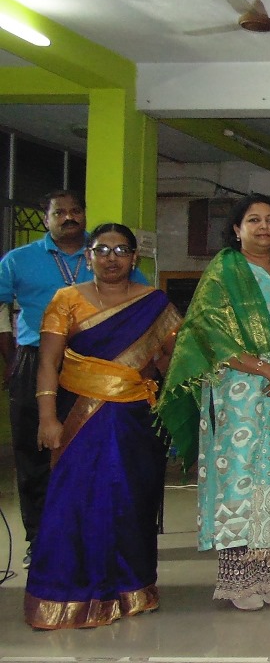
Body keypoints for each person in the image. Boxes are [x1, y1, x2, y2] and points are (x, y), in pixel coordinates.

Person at [157, 193, 270, 612]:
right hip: (239, 390)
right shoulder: (222, 271)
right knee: (241, 477)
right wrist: (269, 370)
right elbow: (209, 333)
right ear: (236, 229)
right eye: (253, 220)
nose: (263, 227)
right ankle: (237, 579)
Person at [22, 224, 181, 630]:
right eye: (102, 249)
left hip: (135, 422)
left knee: (132, 503)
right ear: (88, 256)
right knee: (73, 503)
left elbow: (170, 358)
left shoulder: (155, 303)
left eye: (121, 250)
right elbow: (47, 363)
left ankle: (132, 590)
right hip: (78, 416)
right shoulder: (67, 300)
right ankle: (65, 596)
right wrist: (47, 417)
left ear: (134, 258)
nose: (111, 257)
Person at [0, 191, 145, 568]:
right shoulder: (19, 260)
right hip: (37, 361)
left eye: (75, 211)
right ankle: (40, 538)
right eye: (58, 212)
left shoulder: (107, 253)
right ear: (46, 218)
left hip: (100, 368)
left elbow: (141, 309)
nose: (68, 217)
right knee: (36, 453)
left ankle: (96, 535)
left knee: (94, 455)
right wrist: (9, 353)